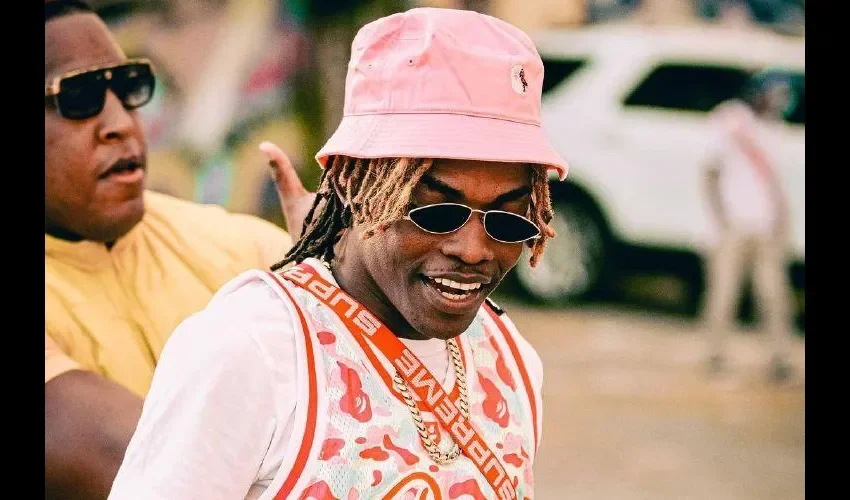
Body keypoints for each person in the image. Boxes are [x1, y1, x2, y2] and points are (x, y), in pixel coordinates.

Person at [108, 7, 568, 499]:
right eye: (436, 212)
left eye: (508, 219)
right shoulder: (252, 350)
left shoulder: (509, 361)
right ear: (352, 182)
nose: (474, 250)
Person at [44, 1, 311, 498]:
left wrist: (342, 282)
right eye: (79, 97)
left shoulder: (245, 247)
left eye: (128, 88)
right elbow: (142, 464)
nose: (122, 123)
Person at [700, 69, 797, 382]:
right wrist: (720, 218)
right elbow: (710, 171)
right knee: (724, 292)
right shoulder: (731, 118)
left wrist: (783, 221)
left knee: (774, 295)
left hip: (765, 226)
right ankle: (715, 353)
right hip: (734, 225)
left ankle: (779, 357)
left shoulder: (776, 128)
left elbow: (776, 181)